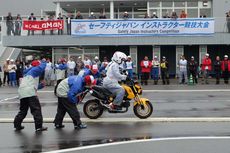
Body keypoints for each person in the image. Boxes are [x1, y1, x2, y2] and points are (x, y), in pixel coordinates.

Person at [14, 59, 48, 132]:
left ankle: (17, 125)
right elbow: (41, 67)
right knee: (36, 110)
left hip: (22, 92)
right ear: (37, 65)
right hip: (30, 93)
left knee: (23, 110)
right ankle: (39, 127)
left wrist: (41, 86)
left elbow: (33, 85)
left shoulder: (27, 73)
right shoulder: (34, 70)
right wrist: (44, 61)